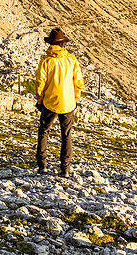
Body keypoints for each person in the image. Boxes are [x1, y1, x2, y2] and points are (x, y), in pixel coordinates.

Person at [34, 27, 84, 176]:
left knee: (44, 131)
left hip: (50, 101)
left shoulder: (46, 61)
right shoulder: (71, 60)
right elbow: (79, 82)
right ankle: (65, 168)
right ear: (63, 44)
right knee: (66, 134)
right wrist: (74, 98)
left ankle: (42, 165)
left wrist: (40, 100)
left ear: (50, 44)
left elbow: (40, 83)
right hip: (68, 103)